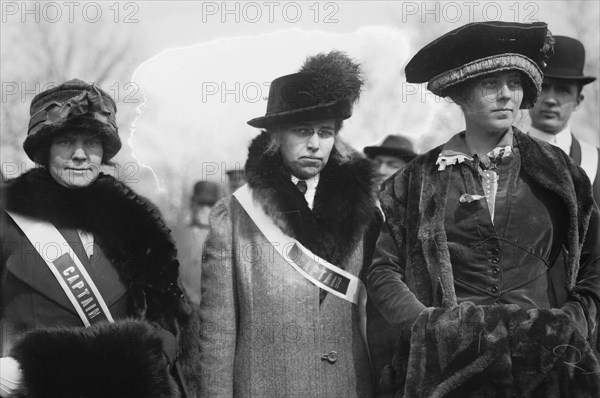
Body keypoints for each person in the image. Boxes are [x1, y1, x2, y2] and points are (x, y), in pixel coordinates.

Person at [367, 22, 600, 397]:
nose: (506, 95)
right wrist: (427, 329)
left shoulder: (560, 172)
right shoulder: (413, 181)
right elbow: (383, 270)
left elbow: (595, 260)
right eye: (491, 85)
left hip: (549, 370)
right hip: (449, 375)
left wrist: (572, 321)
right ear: (461, 93)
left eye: (514, 82)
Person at [0, 79, 200, 398]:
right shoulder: (8, 216)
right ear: (44, 149)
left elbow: (171, 312)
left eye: (91, 142)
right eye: (66, 142)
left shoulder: (139, 223)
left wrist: (161, 350)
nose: (80, 154)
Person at [198, 51, 382, 397]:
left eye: (325, 132)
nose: (315, 143)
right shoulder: (235, 215)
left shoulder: (367, 211)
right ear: (275, 136)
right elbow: (218, 332)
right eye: (302, 131)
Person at [529, 35, 599, 204]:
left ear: (578, 101)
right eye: (543, 87)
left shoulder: (595, 162)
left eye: (563, 90)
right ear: (529, 93)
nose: (551, 100)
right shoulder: (503, 156)